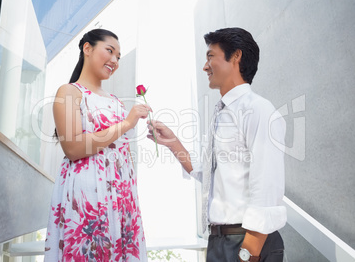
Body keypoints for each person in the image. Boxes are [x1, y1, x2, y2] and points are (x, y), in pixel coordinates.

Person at [147, 27, 286, 262]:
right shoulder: (222, 114)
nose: (205, 66)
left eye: (210, 56)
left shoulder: (258, 110)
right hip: (219, 242)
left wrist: (246, 255)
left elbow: (267, 187)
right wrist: (172, 142)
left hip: (247, 243)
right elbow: (208, 175)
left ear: (236, 56)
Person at [45, 29, 150, 261]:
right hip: (87, 198)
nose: (115, 60)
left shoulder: (115, 102)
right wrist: (126, 124)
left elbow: (123, 154)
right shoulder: (69, 92)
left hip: (121, 198)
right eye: (110, 51)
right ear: (87, 48)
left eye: (119, 57)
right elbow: (72, 148)